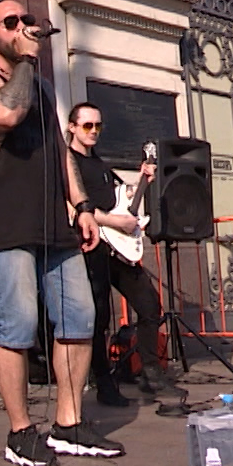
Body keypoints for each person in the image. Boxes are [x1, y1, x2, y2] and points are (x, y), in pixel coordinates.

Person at [0, 0, 116, 466]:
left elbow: (60, 152)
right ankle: (21, 431)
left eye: (27, 20)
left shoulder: (41, 87)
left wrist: (81, 204)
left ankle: (68, 422)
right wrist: (26, 59)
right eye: (11, 22)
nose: (23, 27)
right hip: (6, 225)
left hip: (53, 224)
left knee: (80, 316)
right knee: (19, 323)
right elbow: (5, 115)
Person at [65, 102, 165, 407]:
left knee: (149, 305)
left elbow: (121, 200)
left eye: (97, 126)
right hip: (91, 245)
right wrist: (115, 222)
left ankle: (151, 372)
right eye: (87, 126)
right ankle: (104, 385)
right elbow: (74, 207)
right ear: (72, 128)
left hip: (118, 246)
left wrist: (142, 179)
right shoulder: (68, 163)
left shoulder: (98, 163)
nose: (93, 131)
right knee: (98, 317)